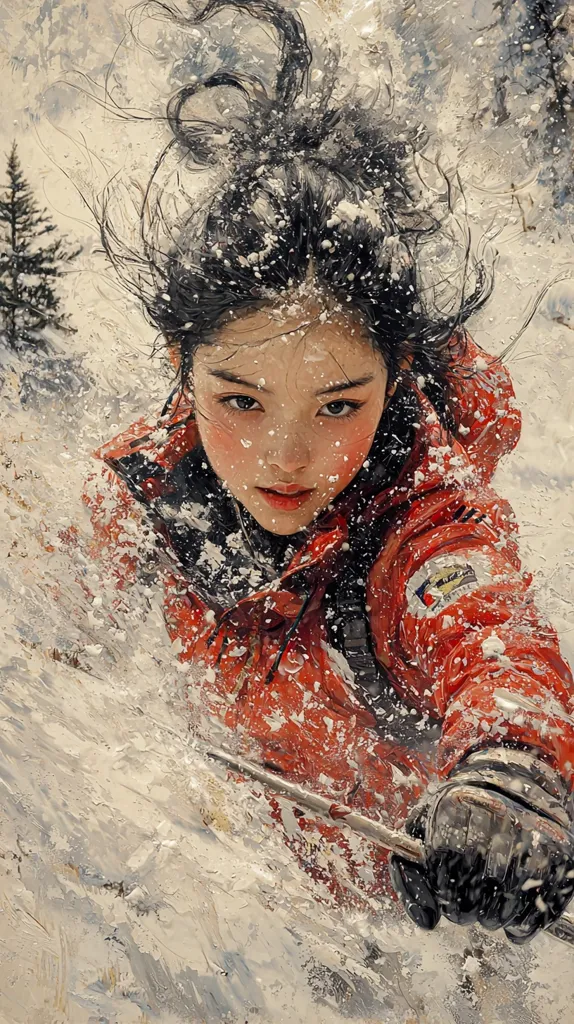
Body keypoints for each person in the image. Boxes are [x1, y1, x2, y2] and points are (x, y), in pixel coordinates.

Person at [86, 0, 574, 942]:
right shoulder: (141, 491)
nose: (285, 456)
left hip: (420, 942)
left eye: (339, 406)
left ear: (398, 376)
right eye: (240, 400)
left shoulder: (424, 523)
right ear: (182, 368)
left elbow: (493, 642)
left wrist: (509, 778)